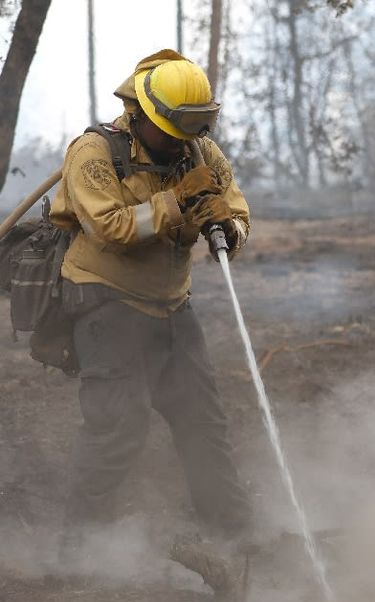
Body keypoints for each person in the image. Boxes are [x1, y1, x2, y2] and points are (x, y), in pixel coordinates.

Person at [50, 49, 253, 540]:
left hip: (172, 303)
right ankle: (80, 546)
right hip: (104, 299)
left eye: (195, 128)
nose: (185, 142)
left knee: (204, 422)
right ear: (140, 114)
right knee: (119, 426)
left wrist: (226, 225)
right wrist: (178, 201)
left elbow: (238, 210)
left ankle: (234, 534)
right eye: (174, 130)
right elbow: (109, 227)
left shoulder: (199, 151)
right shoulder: (94, 153)